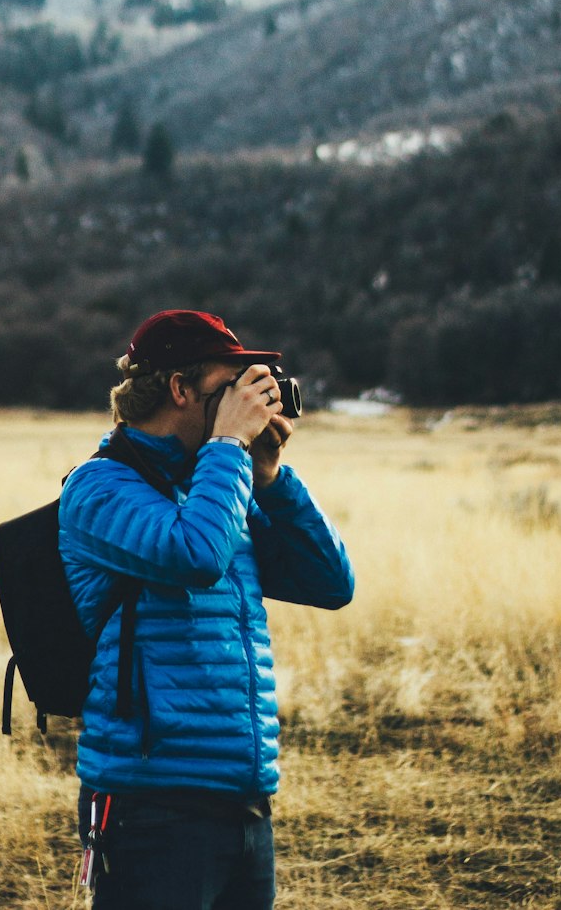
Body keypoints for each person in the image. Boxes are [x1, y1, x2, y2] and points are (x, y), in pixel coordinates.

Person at [58, 309, 354, 909]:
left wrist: (270, 476)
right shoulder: (99, 488)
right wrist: (228, 448)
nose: (248, 408)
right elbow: (195, 555)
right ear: (180, 388)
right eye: (231, 391)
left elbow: (331, 582)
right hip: (150, 803)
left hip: (241, 797)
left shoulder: (219, 486)